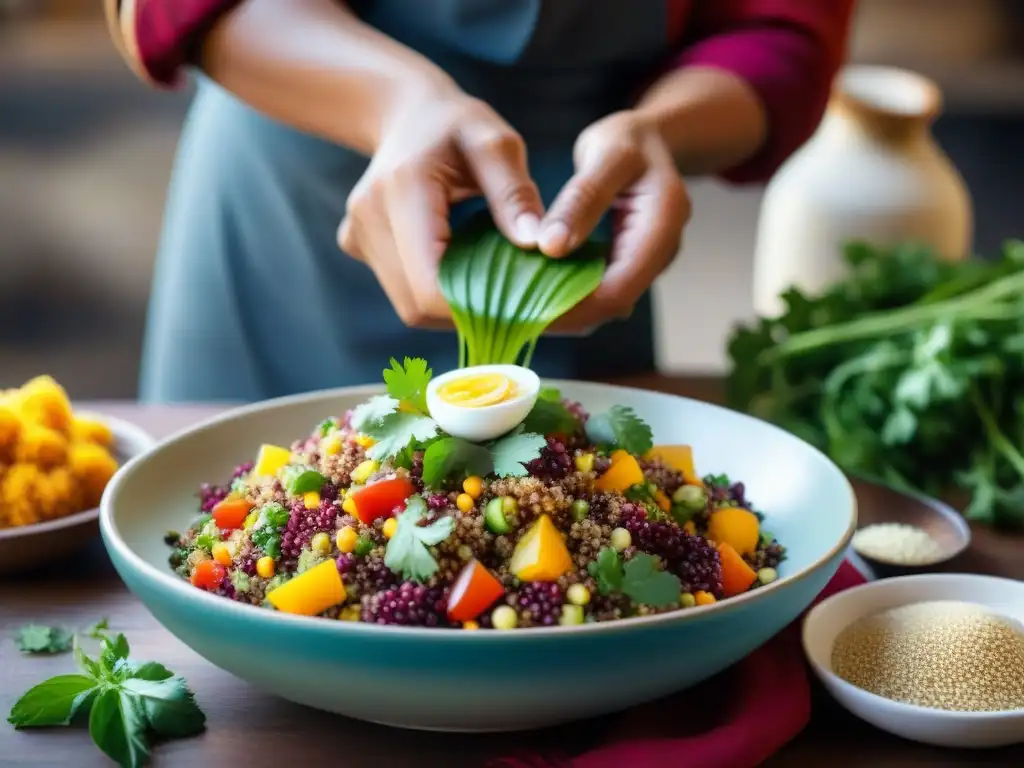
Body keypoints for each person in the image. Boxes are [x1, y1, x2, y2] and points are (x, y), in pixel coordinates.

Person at [105, 0, 855, 403]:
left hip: (584, 224)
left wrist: (662, 133)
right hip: (293, 204)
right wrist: (398, 104)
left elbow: (779, 31)